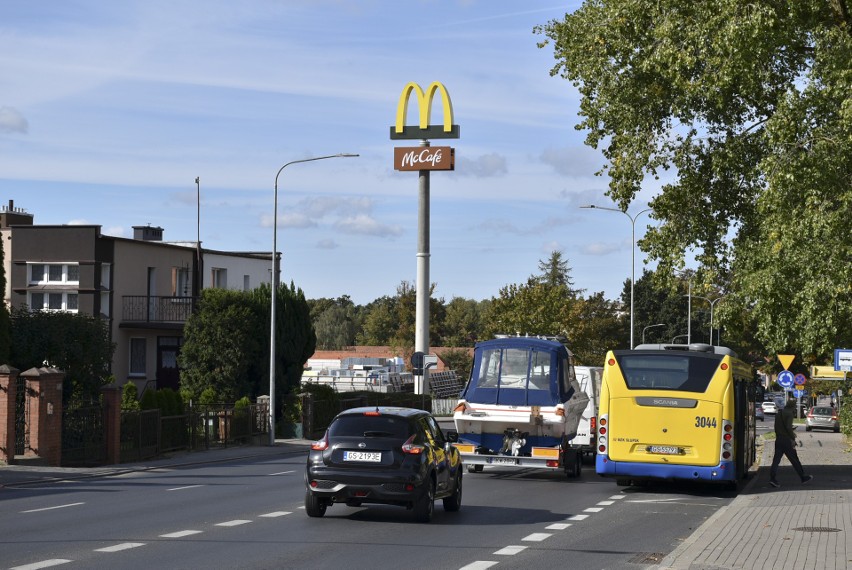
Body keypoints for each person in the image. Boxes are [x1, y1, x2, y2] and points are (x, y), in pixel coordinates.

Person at [769, 399, 813, 487]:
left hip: (778, 439)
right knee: (794, 459)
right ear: (793, 406)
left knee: (776, 460)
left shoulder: (779, 413)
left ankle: (772, 478)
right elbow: (788, 427)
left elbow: (777, 427)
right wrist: (792, 437)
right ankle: (803, 477)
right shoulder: (789, 413)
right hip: (786, 440)